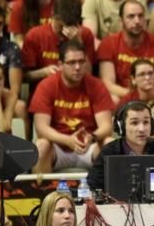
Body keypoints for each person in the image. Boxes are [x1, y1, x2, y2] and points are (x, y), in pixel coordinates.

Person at [30, 40, 114, 173]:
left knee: (109, 143)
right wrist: (67, 140)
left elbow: (107, 127)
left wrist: (92, 137)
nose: (77, 67)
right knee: (41, 145)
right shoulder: (46, 86)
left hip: (89, 147)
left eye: (81, 62)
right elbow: (41, 128)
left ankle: (109, 193)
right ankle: (41, 193)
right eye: (71, 63)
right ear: (60, 65)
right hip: (58, 147)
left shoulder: (96, 85)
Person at [85, 100, 154, 192]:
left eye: (146, 122)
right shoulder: (109, 152)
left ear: (153, 125)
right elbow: (92, 185)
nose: (141, 129)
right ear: (121, 127)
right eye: (134, 123)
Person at [97, 0, 154, 103]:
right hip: (122, 97)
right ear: (121, 21)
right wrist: (134, 96)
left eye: (140, 16)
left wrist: (143, 97)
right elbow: (108, 84)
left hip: (151, 97)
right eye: (131, 16)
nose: (137, 21)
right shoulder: (108, 44)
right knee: (113, 99)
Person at [21, 0, 96, 85]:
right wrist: (44, 72)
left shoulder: (85, 34)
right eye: (61, 26)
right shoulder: (35, 35)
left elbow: (88, 75)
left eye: (71, 26)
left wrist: (78, 42)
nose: (65, 31)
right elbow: (24, 77)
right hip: (45, 88)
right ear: (53, 15)